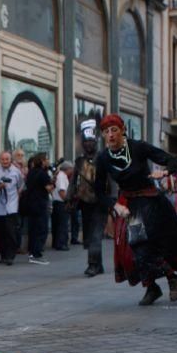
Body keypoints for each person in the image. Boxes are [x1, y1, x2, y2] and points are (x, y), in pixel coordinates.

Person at [96, 114, 177, 306]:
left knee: (148, 243)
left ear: (122, 130)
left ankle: (169, 279)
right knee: (137, 246)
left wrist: (163, 172)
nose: (110, 135)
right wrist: (115, 206)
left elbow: (172, 161)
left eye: (114, 130)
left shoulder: (138, 147)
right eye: (106, 132)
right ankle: (153, 286)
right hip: (130, 207)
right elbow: (98, 190)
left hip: (151, 202)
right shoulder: (104, 158)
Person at [70, 119, 106, 277]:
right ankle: (98, 264)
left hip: (101, 201)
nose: (88, 145)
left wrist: (113, 200)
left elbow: (111, 181)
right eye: (86, 142)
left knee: (96, 234)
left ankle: (93, 265)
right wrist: (70, 198)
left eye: (91, 141)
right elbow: (73, 181)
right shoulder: (79, 161)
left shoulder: (104, 159)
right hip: (85, 201)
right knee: (90, 234)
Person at [0, 151, 23, 265]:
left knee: (11, 232)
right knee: (0, 233)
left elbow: (21, 186)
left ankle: (10, 256)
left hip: (11, 207)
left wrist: (17, 199)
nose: (5, 161)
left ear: (10, 159)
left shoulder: (16, 172)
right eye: (3, 159)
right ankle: (3, 254)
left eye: (7, 159)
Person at [25, 153, 53, 264]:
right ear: (42, 161)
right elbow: (49, 189)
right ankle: (36, 254)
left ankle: (32, 252)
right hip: (40, 204)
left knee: (33, 229)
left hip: (31, 204)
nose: (48, 161)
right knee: (42, 229)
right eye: (46, 159)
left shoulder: (31, 172)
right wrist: (52, 182)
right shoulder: (43, 174)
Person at [51, 161, 74, 251]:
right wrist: (67, 201)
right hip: (61, 202)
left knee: (58, 224)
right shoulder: (61, 176)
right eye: (71, 169)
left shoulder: (61, 175)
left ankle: (57, 242)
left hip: (58, 202)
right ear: (67, 169)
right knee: (62, 224)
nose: (72, 171)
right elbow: (62, 191)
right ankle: (61, 243)